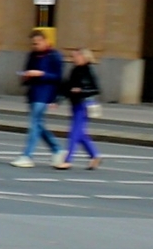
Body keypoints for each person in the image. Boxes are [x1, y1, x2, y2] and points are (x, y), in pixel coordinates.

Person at [16, 30, 64, 165]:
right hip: (33, 93)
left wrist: (41, 74)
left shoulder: (54, 56)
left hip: (45, 94)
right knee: (38, 124)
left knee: (34, 122)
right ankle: (57, 149)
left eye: (37, 43)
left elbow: (58, 77)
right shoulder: (32, 55)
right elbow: (27, 71)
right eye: (33, 44)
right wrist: (25, 76)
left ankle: (27, 155)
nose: (35, 46)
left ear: (45, 41)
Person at [58, 46, 101, 169]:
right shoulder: (74, 70)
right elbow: (66, 87)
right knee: (81, 134)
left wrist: (81, 90)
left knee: (74, 133)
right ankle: (94, 155)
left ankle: (68, 160)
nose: (73, 59)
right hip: (75, 104)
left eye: (75, 56)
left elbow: (95, 89)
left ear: (83, 56)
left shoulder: (88, 71)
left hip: (84, 104)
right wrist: (57, 100)